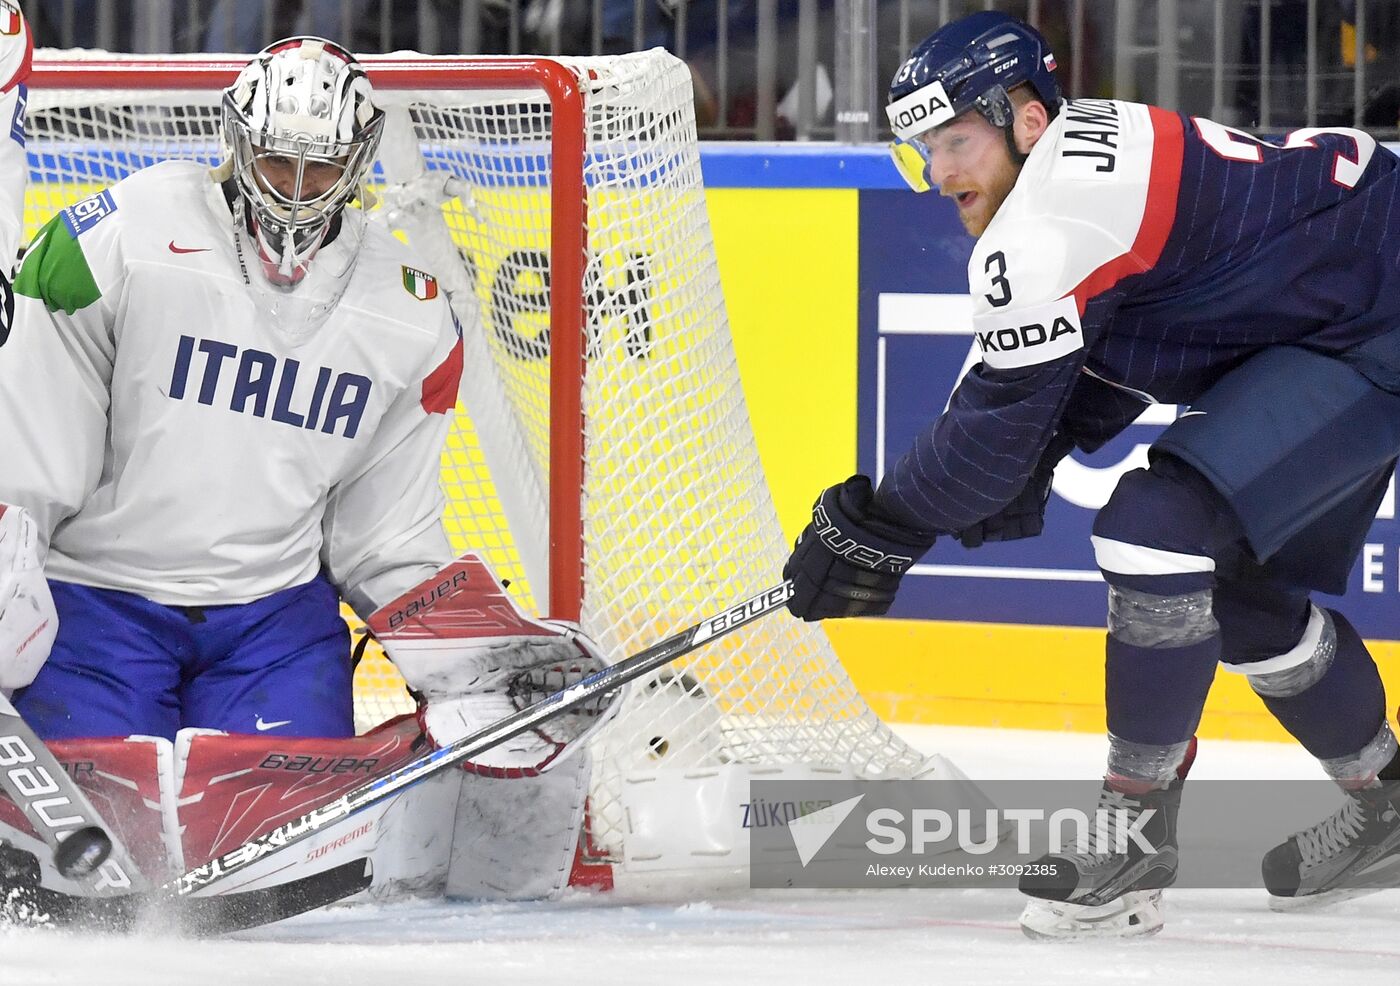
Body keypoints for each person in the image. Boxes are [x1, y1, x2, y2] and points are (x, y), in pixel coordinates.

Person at [783, 9, 1400, 940]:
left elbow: (988, 438)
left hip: (1372, 314)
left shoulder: (1045, 224)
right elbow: (1111, 350)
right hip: (1347, 291)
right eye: (925, 150)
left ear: (1027, 119)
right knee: (1233, 588)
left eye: (957, 141)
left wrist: (875, 525)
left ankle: (1134, 838)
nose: (940, 174)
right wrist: (1002, 466)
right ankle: (1386, 798)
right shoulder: (1077, 158)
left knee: (1154, 530)